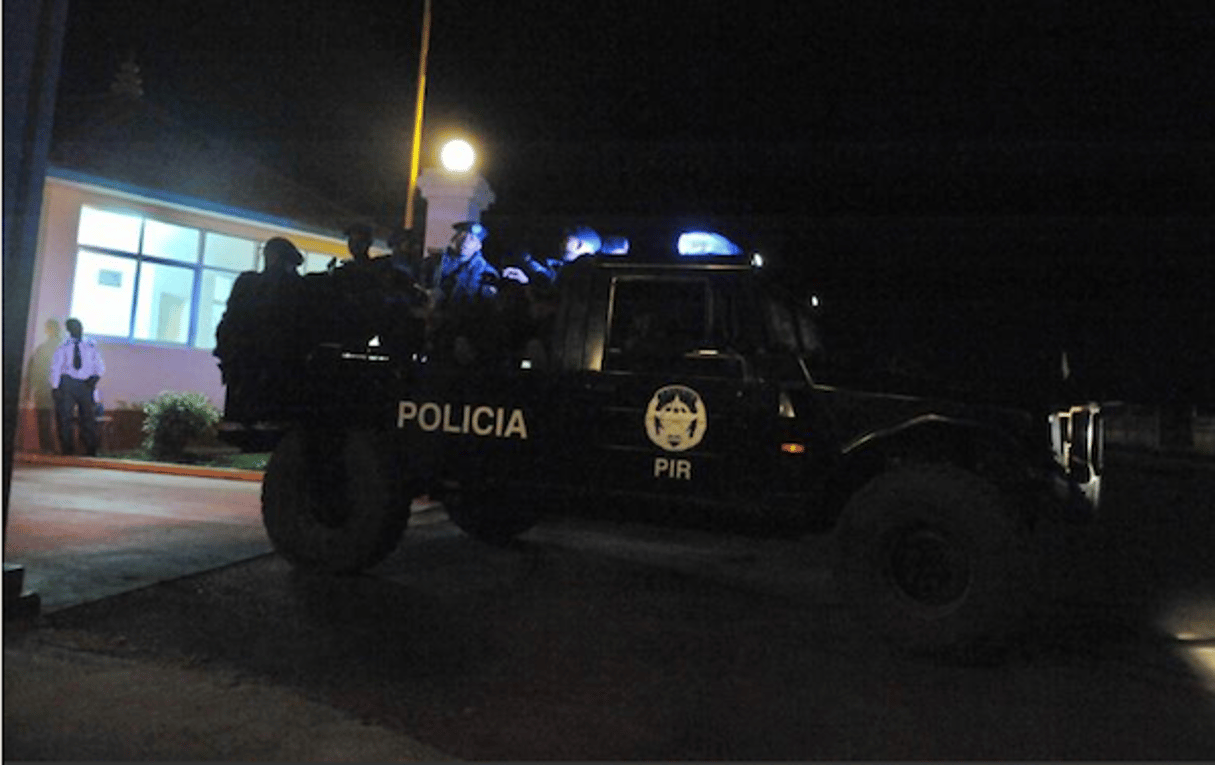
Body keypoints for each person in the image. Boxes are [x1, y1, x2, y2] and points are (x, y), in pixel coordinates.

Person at [213, 236, 309, 422]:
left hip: (265, 369)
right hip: (256, 367)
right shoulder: (254, 283)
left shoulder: (292, 288)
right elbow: (231, 320)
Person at [49, 318, 105, 456]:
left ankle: (90, 450)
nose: (77, 329)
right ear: (68, 330)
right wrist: (55, 387)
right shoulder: (63, 346)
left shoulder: (90, 345)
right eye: (73, 327)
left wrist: (95, 377)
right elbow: (56, 367)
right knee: (65, 418)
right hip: (67, 384)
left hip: (86, 384)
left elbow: (99, 364)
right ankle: (67, 451)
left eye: (78, 326)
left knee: (88, 418)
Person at [501, 224, 601, 288]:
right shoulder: (537, 239)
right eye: (578, 245)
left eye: (583, 254)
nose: (575, 252)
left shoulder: (561, 273)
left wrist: (526, 281)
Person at [25, 318, 64, 452]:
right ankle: (60, 450)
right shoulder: (64, 347)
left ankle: (47, 450)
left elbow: (34, 369)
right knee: (58, 420)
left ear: (48, 330)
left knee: (44, 421)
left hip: (45, 389)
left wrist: (30, 389)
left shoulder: (43, 348)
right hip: (58, 390)